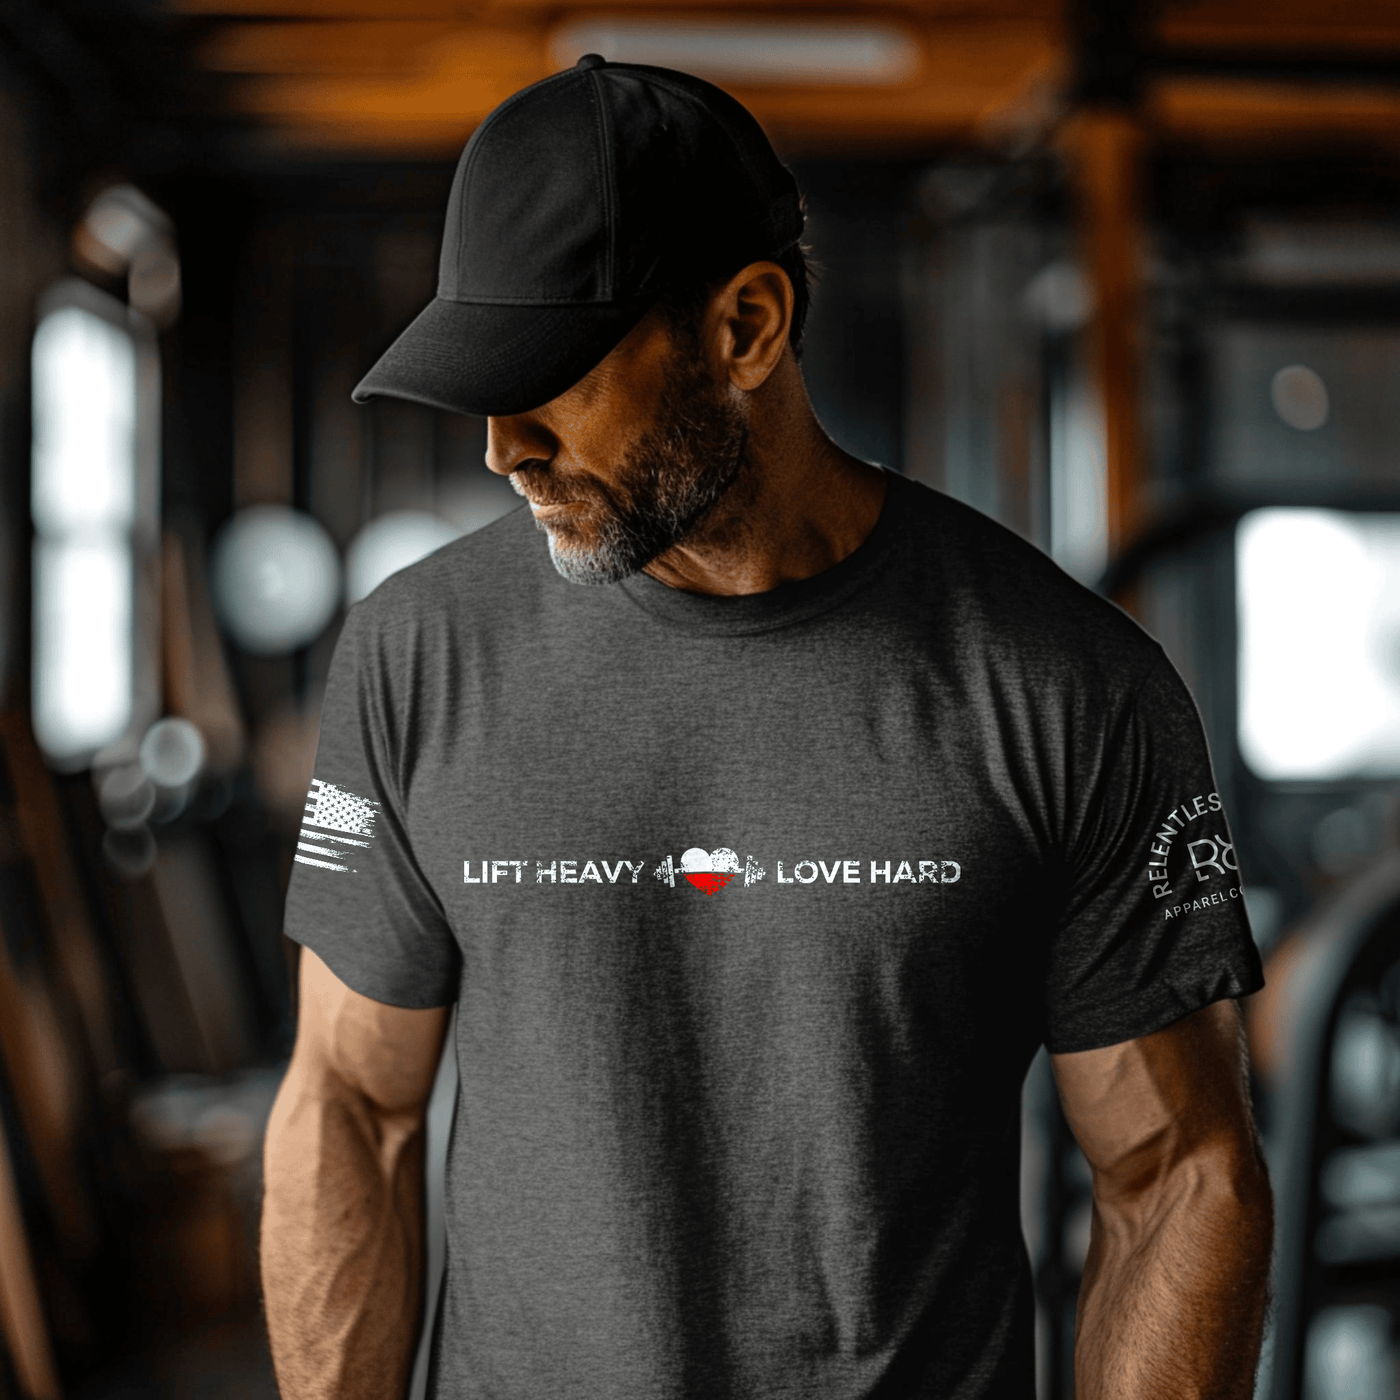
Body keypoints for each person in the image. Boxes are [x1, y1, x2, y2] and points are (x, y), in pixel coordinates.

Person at [261, 55, 1272, 1400]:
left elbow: (1177, 1176)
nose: (502, 447)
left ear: (745, 328)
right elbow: (349, 1107)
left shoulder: (1065, 683)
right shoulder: (416, 657)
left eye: (549, 376)